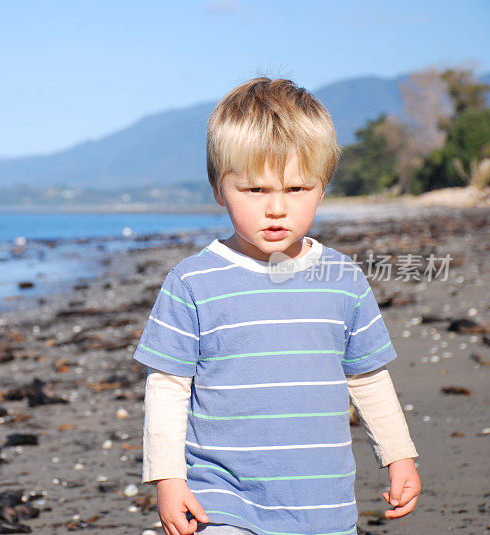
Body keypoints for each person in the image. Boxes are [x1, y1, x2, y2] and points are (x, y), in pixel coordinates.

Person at [132, 77, 421, 535]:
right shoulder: (192, 282)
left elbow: (367, 375)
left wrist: (398, 454)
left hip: (321, 497)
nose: (277, 209)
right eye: (255, 191)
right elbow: (167, 386)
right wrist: (168, 479)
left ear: (322, 188)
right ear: (218, 188)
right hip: (221, 496)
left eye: (296, 189)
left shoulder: (343, 279)